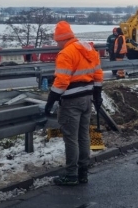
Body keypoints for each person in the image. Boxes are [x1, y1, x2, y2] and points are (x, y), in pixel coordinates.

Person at [44, 21, 104, 186]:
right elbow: (98, 74)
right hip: (88, 98)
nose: (57, 45)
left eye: (57, 41)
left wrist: (50, 101)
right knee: (83, 136)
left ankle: (71, 175)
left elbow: (62, 81)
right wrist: (97, 95)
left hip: (71, 102)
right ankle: (83, 172)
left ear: (62, 39)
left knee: (71, 139)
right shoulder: (88, 48)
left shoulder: (66, 53)